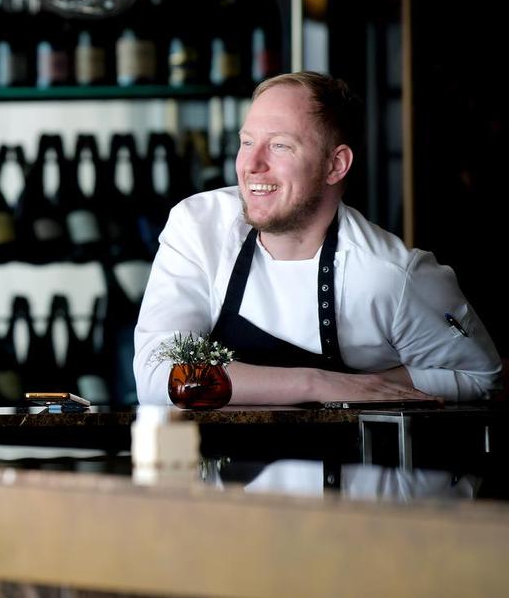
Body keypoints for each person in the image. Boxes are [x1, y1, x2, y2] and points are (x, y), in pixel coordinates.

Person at [133, 71, 502, 405]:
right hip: (212, 460)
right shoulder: (200, 228)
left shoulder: (390, 275)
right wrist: (317, 384)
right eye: (246, 142)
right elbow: (156, 375)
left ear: (335, 165)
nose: (251, 165)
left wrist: (365, 387)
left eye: (279, 145)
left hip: (343, 461)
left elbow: (480, 376)